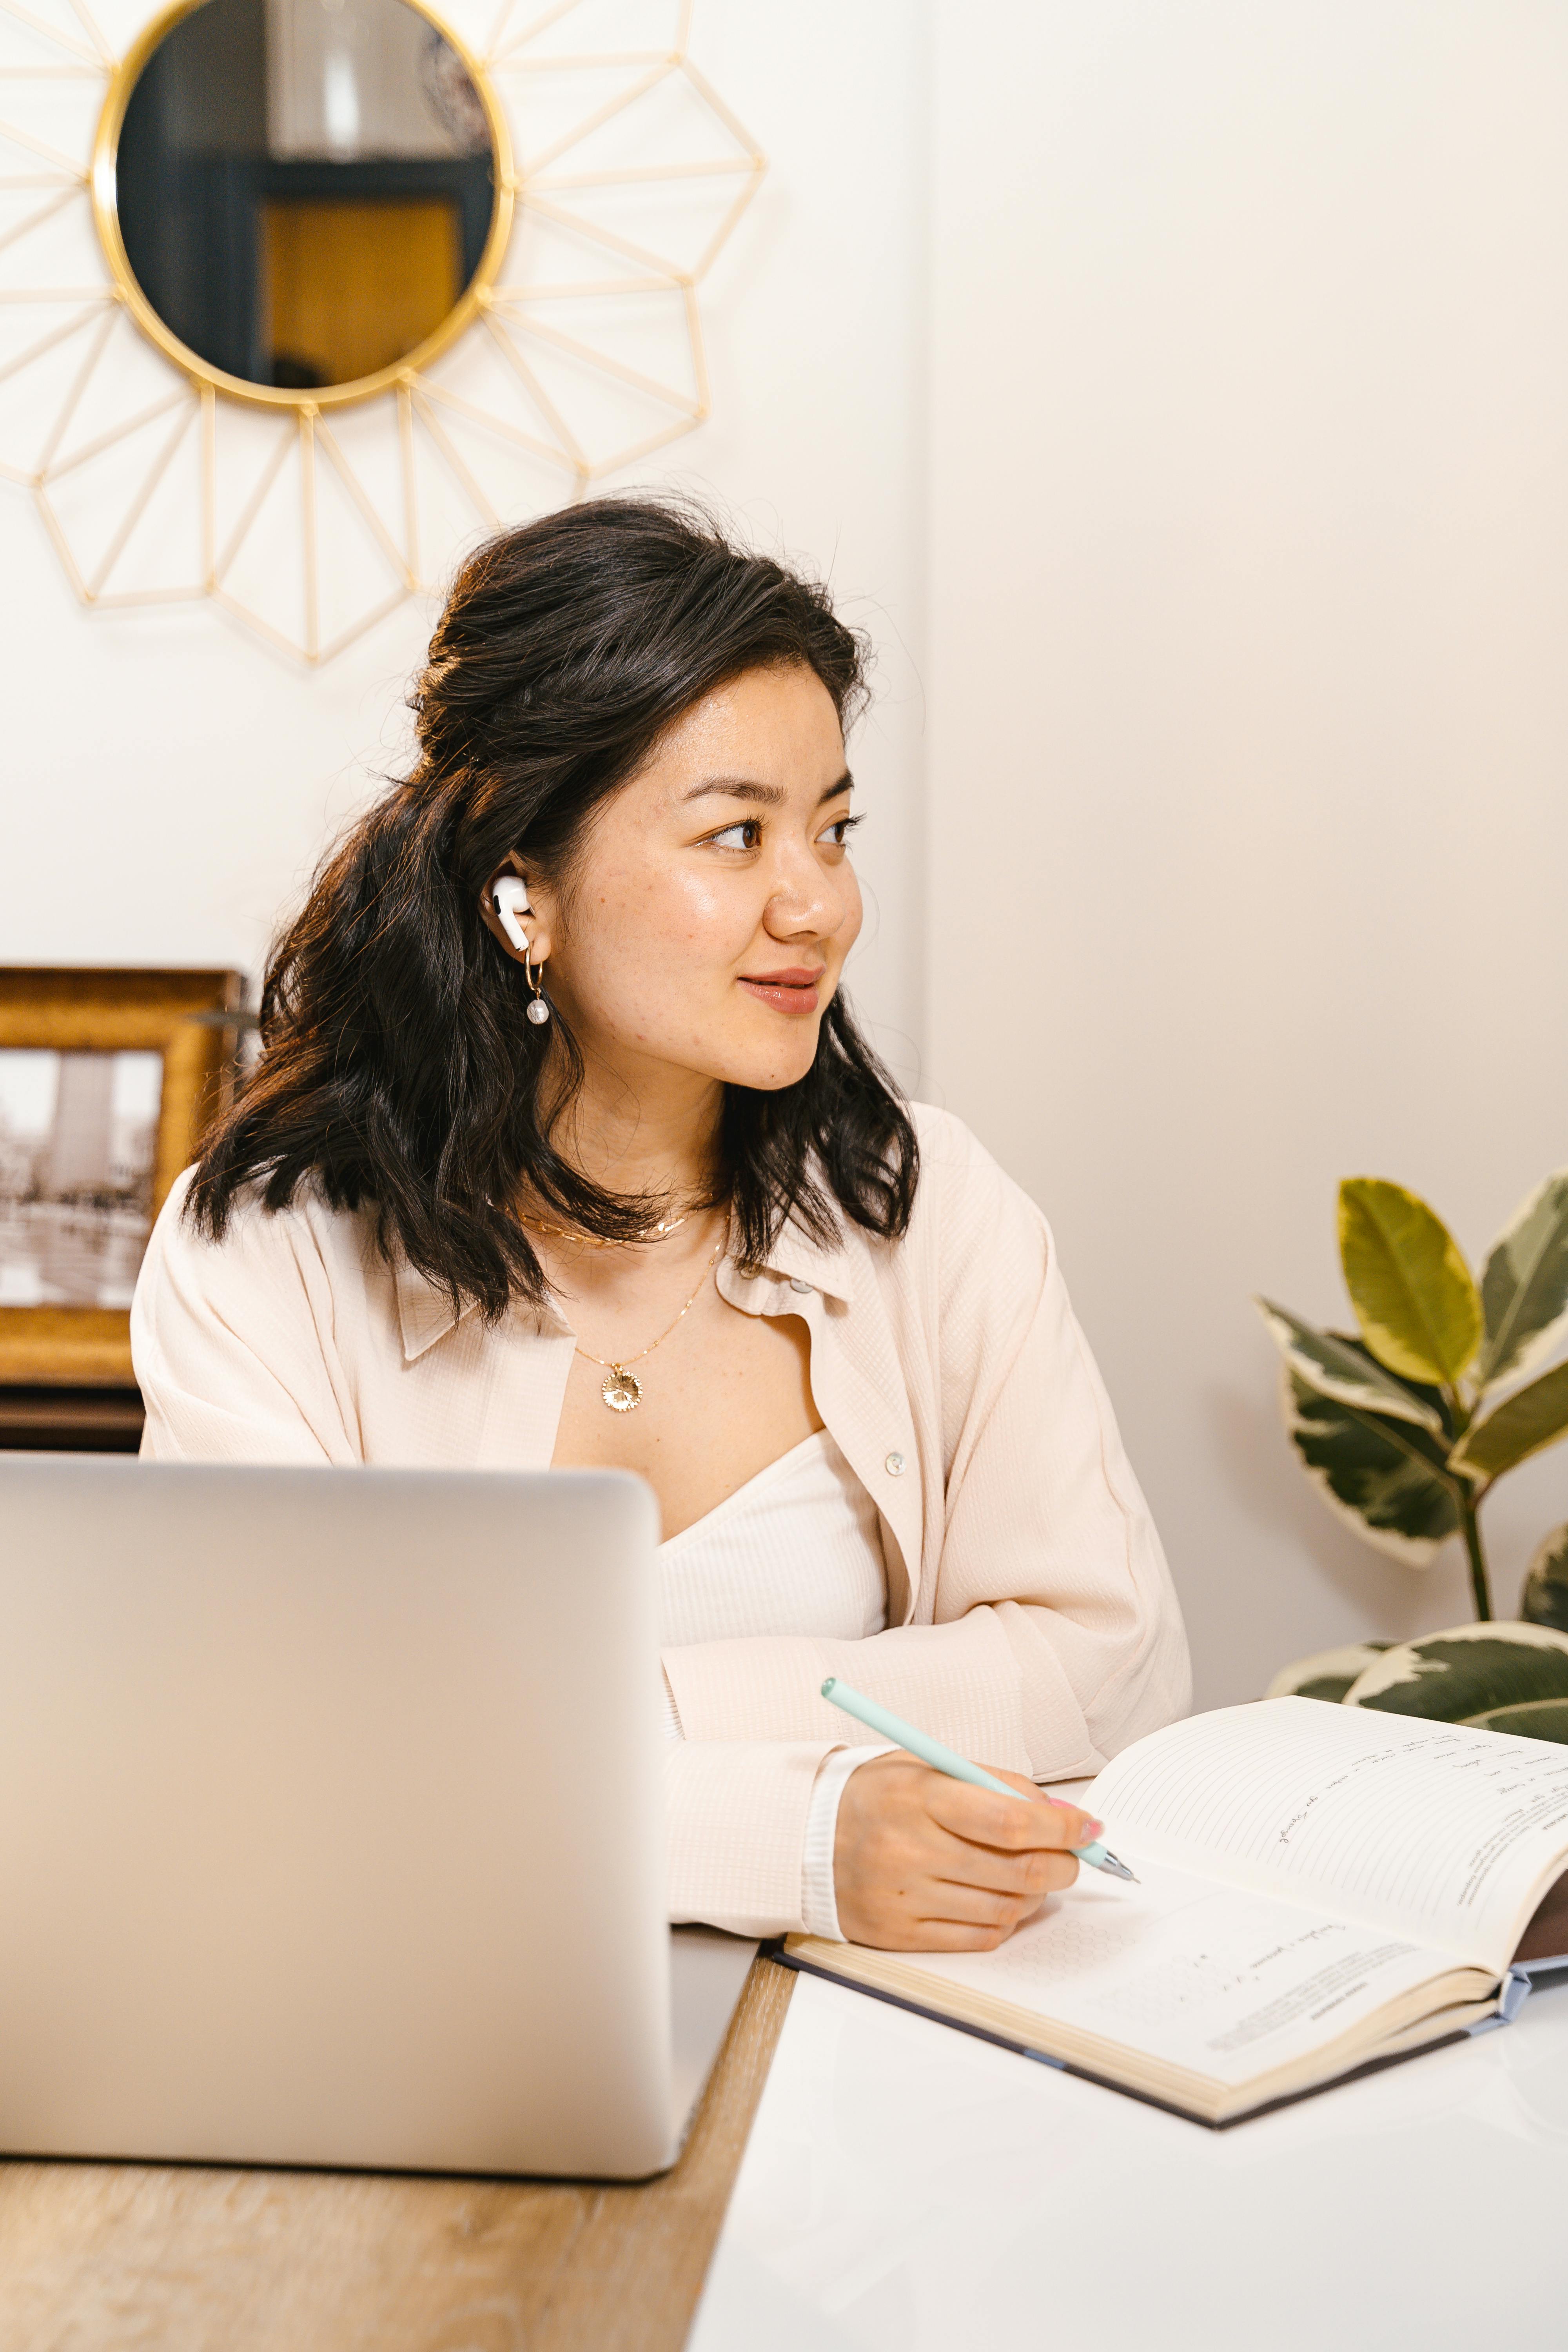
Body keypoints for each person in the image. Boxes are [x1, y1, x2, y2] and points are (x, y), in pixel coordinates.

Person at [132, 498, 1191, 1948]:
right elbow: (264, 1754)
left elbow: (1109, 1671)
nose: (818, 903)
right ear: (523, 888)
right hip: (435, 2020)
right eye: (737, 834)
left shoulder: (928, 1209)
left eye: (832, 828)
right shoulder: (271, 1247)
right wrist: (792, 1837)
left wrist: (651, 1713)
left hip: (901, 2033)